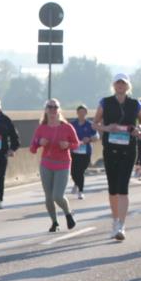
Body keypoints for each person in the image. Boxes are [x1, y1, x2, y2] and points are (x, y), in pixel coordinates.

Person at [95, 73, 141, 241]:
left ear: (127, 86)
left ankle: (122, 226)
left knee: (123, 187)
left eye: (123, 83)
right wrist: (108, 128)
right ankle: (115, 220)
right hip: (110, 149)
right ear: (114, 85)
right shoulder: (105, 102)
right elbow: (95, 124)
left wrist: (139, 129)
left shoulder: (134, 103)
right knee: (113, 188)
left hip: (129, 149)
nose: (120, 86)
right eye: (118, 83)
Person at [30, 99, 79, 232]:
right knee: (48, 197)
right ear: (45, 110)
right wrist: (39, 142)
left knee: (57, 195)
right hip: (46, 164)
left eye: (55, 107)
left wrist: (68, 145)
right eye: (49, 107)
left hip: (63, 164)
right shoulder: (41, 128)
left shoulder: (67, 127)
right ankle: (54, 222)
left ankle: (68, 213)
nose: (52, 110)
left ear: (59, 110)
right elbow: (32, 148)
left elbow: (76, 144)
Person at [70, 104, 97, 199]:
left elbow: (96, 136)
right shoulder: (72, 124)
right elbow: (67, 135)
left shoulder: (90, 124)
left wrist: (89, 139)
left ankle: (80, 191)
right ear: (77, 113)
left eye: (83, 112)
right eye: (80, 112)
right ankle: (77, 184)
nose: (82, 114)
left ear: (86, 113)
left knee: (81, 171)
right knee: (73, 172)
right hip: (74, 151)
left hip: (86, 151)